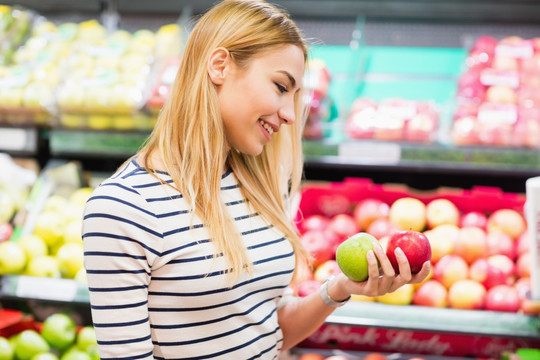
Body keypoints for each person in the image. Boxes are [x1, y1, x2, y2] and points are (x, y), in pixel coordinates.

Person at [82, 0, 431, 359]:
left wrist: (340, 288)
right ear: (220, 66)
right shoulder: (123, 209)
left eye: (296, 97)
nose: (290, 115)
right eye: (281, 87)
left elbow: (268, 331)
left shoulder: (258, 187)